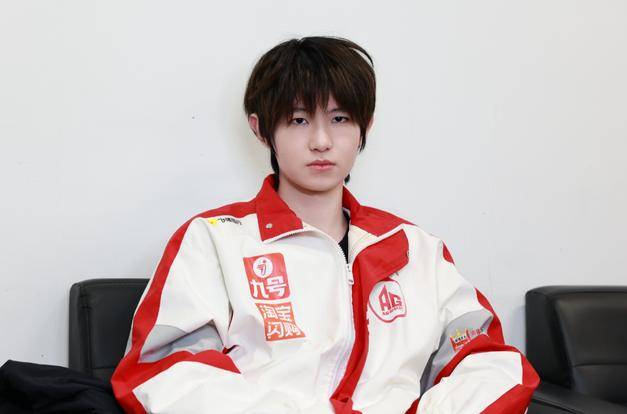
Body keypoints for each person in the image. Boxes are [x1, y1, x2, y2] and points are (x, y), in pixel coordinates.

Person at [110, 36, 539, 413]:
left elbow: (488, 362)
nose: (321, 141)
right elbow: (164, 372)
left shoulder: (415, 249)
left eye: (340, 119)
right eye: (299, 120)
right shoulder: (214, 240)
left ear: (365, 126)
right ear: (261, 130)